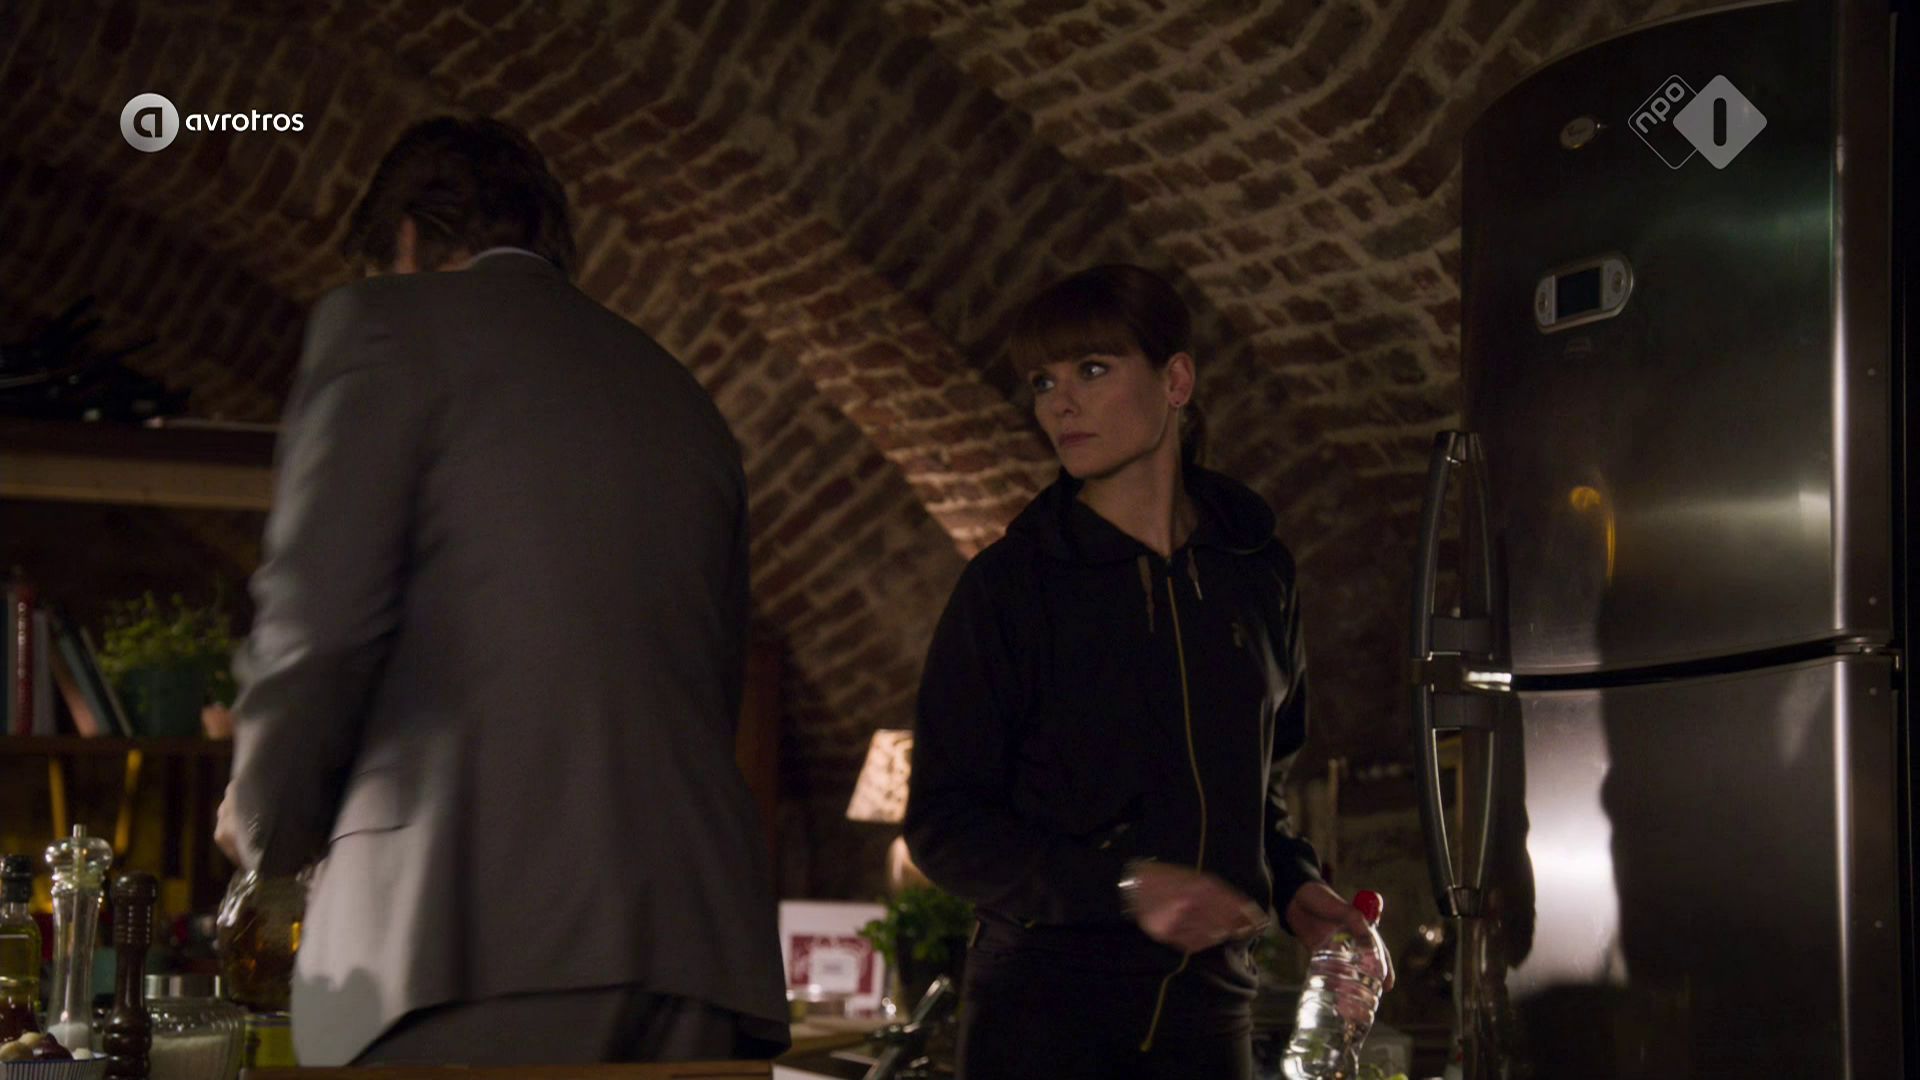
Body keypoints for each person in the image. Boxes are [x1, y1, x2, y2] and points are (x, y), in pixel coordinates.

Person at [213, 116, 788, 1067]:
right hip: (698, 946)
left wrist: (266, 818)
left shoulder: (385, 323)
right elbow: (712, 678)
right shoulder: (681, 393)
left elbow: (321, 628)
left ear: (406, 239)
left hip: (468, 940)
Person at [903, 265, 1389, 1079]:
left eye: (1092, 370)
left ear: (1176, 381)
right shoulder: (1011, 587)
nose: (1060, 404)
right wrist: (1126, 887)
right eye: (1043, 381)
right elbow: (943, 828)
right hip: (1044, 1025)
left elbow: (1259, 797)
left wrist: (1301, 893)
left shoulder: (1257, 574)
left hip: (1212, 1024)